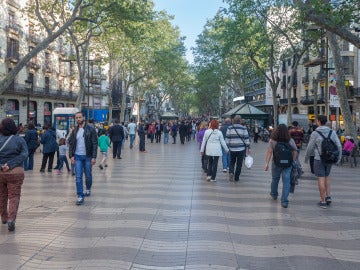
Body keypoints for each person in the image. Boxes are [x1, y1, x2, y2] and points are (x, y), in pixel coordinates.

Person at [304, 115, 342, 209]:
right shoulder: (332, 132)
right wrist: (339, 158)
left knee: (321, 178)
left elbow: (310, 147)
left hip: (319, 159)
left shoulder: (315, 133)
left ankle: (323, 202)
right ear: (326, 121)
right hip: (330, 158)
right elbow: (339, 146)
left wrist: (306, 158)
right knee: (327, 176)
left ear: (318, 122)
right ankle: (328, 196)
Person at [0, 118, 28, 232]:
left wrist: (2, 166)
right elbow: (24, 154)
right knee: (14, 196)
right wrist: (11, 165)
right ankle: (11, 219)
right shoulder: (19, 140)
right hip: (15, 172)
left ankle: (3, 217)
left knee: (1, 195)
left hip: (0, 173)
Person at [265, 124, 298, 208]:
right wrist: (293, 161)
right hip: (287, 164)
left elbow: (269, 151)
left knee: (275, 179)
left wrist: (266, 164)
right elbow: (295, 151)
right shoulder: (290, 140)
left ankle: (274, 194)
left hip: (276, 163)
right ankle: (284, 201)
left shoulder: (272, 140)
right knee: (286, 181)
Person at [68, 112, 98, 205]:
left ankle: (88, 189)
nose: (78, 119)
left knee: (88, 175)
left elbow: (94, 143)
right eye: (76, 118)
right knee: (78, 177)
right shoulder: (75, 130)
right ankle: (80, 195)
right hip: (78, 156)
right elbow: (71, 144)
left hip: (88, 156)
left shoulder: (91, 129)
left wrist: (94, 157)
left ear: (83, 118)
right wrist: (71, 156)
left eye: (79, 117)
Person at [225, 116, 251, 182]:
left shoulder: (230, 127)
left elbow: (227, 138)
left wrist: (226, 148)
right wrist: (249, 147)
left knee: (232, 162)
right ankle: (236, 177)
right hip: (241, 149)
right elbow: (246, 138)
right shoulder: (244, 128)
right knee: (239, 164)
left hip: (232, 148)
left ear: (233, 120)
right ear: (240, 121)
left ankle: (231, 172)